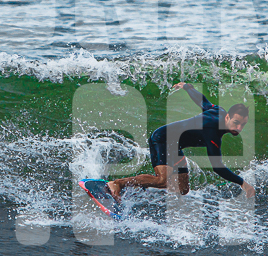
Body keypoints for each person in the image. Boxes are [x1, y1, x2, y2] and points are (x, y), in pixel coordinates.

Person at [107, 82, 256, 202]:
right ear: (228, 117)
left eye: (243, 124)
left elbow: (203, 101)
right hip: (162, 139)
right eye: (236, 122)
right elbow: (218, 167)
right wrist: (243, 183)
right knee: (162, 180)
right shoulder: (212, 132)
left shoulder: (219, 111)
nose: (239, 128)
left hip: (175, 146)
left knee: (182, 189)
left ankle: (138, 186)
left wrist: (187, 87)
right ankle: (118, 183)